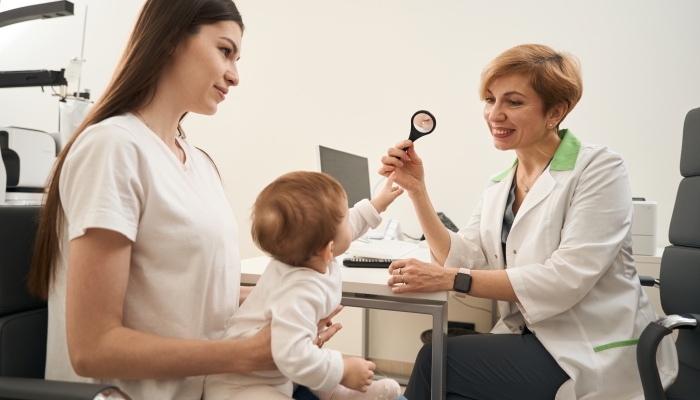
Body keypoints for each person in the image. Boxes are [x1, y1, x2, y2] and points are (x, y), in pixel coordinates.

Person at [27, 1, 340, 399]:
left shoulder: (199, 163)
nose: (235, 75)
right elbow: (92, 349)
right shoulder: (114, 148)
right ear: (172, 39)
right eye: (225, 51)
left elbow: (196, 291)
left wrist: (291, 307)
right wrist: (244, 354)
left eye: (237, 58)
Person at [379, 44, 678, 399]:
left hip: (591, 348)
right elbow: (460, 258)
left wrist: (449, 278)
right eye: (490, 99)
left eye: (514, 102)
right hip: (533, 336)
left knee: (436, 362)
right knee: (444, 368)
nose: (495, 114)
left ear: (556, 112)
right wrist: (417, 190)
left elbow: (565, 278)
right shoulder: (500, 185)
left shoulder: (599, 169)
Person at [204, 171, 405, 400]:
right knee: (310, 359)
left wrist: (377, 204)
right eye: (345, 220)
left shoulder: (305, 258)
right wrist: (343, 370)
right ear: (329, 250)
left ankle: (340, 394)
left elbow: (350, 224)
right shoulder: (299, 291)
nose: (351, 221)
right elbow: (294, 355)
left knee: (314, 359)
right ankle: (339, 388)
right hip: (241, 385)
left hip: (280, 372)